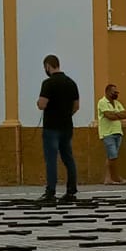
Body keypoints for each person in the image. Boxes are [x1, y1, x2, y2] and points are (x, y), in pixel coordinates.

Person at [36, 55, 79, 206]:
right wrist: (65, 115)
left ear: (48, 66)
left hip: (51, 128)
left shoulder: (48, 83)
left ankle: (50, 192)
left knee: (51, 160)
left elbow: (42, 104)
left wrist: (39, 103)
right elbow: (76, 106)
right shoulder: (71, 83)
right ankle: (71, 191)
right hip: (67, 126)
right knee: (68, 158)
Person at [97, 83, 126, 186]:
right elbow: (108, 116)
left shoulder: (117, 103)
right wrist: (117, 115)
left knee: (111, 157)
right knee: (113, 156)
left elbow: (125, 114)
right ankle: (116, 177)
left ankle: (108, 178)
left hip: (118, 132)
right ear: (107, 92)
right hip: (107, 133)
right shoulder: (102, 102)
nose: (116, 94)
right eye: (114, 92)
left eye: (116, 92)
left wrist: (115, 114)